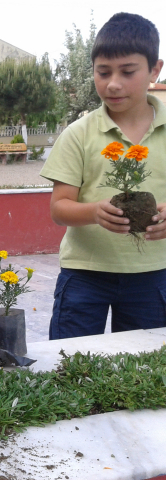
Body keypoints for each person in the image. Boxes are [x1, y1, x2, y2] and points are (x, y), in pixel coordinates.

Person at [40, 12, 166, 340]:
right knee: (72, 365)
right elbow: (59, 208)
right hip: (85, 275)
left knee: (145, 373)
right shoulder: (79, 134)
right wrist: (95, 211)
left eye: (127, 72)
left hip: (153, 276)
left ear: (155, 69)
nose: (113, 83)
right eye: (103, 72)